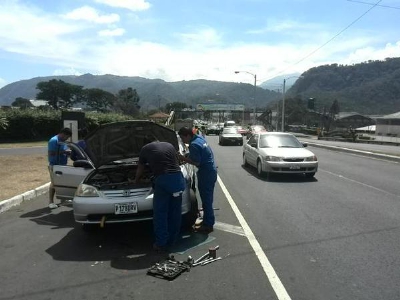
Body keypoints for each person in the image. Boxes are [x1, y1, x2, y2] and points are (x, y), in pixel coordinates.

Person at [134, 141, 185, 252]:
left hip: (164, 180)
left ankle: (161, 243)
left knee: (160, 213)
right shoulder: (169, 145)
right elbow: (177, 161)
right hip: (178, 179)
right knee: (175, 212)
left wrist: (137, 180)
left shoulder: (145, 148)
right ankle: (172, 240)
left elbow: (140, 168)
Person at [178, 127, 217, 233]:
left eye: (182, 138)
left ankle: (208, 225)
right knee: (208, 198)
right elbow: (199, 154)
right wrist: (188, 155)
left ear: (187, 136)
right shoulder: (199, 139)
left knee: (206, 200)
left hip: (206, 173)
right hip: (211, 170)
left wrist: (183, 158)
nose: (182, 140)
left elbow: (197, 162)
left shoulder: (193, 145)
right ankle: (206, 220)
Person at [47, 127, 72, 209]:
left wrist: (68, 153)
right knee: (53, 184)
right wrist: (64, 152)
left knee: (63, 183)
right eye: (67, 137)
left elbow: (63, 151)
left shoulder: (63, 141)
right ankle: (51, 202)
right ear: (63, 134)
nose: (67, 139)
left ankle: (63, 199)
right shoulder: (54, 140)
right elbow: (51, 153)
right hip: (54, 165)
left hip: (62, 165)